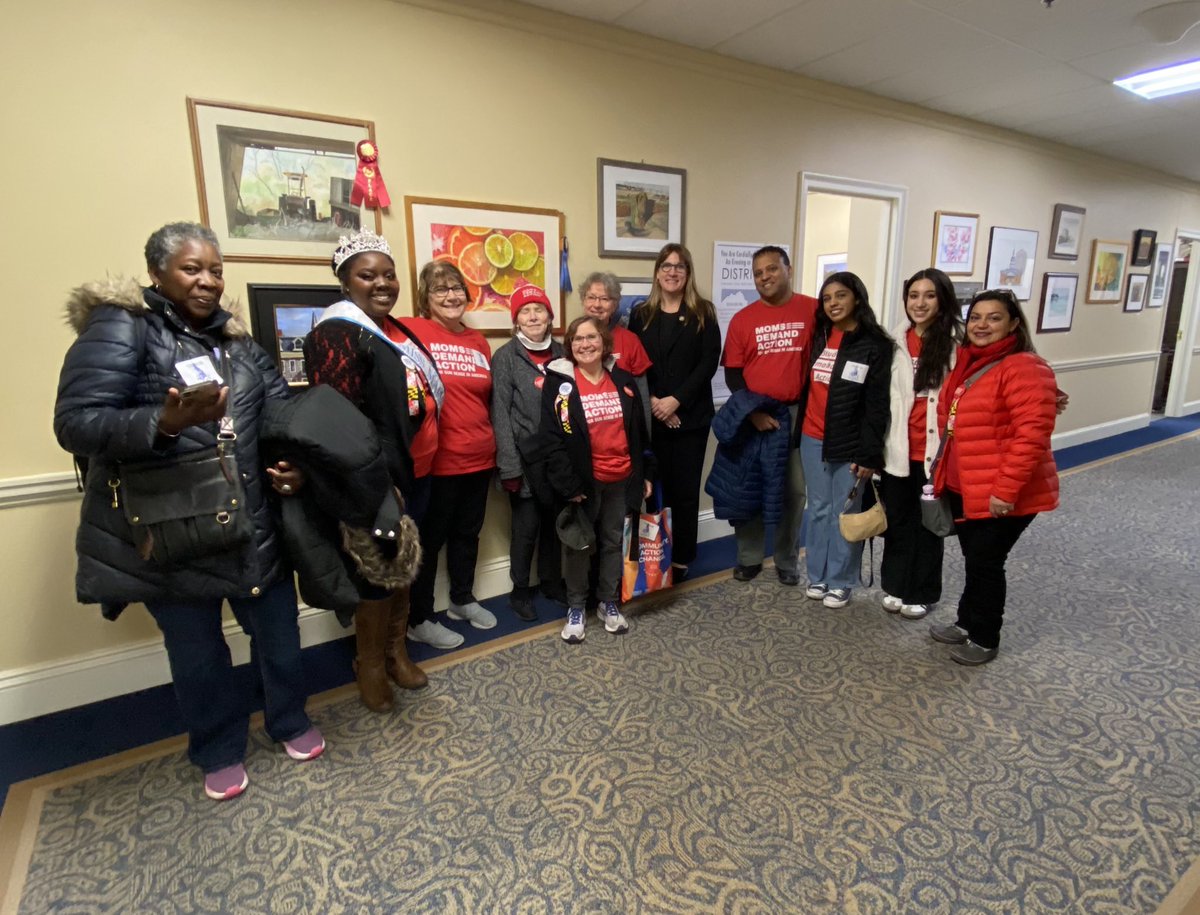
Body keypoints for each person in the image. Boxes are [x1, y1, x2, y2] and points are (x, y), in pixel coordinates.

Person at [54, 222, 322, 802]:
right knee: (198, 653)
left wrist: (295, 466)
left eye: (216, 271)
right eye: (192, 269)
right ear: (157, 274)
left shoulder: (238, 343)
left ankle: (289, 720)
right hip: (173, 530)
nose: (208, 281)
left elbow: (280, 416)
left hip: (252, 521)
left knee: (279, 634)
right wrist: (163, 423)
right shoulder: (122, 327)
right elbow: (75, 423)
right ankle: (218, 748)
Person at [303, 229, 440, 711]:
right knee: (377, 573)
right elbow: (339, 422)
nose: (382, 283)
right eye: (367, 276)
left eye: (389, 274)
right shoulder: (336, 333)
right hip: (375, 479)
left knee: (404, 568)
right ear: (346, 282)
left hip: (416, 470)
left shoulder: (397, 330)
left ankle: (396, 652)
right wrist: (378, 482)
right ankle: (370, 665)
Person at [929, 289, 1059, 665]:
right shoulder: (970, 363)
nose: (982, 325)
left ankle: (985, 637)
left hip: (1001, 491)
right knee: (975, 559)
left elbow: (1031, 435)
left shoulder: (1022, 366)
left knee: (986, 563)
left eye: (994, 318)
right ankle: (967, 623)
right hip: (967, 484)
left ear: (1014, 323)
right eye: (976, 318)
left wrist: (1005, 490)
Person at [530, 316, 653, 643]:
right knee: (578, 545)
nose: (585, 344)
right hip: (583, 484)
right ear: (570, 346)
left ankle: (608, 601)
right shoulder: (560, 384)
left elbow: (638, 432)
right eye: (578, 339)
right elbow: (551, 439)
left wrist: (645, 474)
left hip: (621, 478)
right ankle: (576, 607)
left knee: (613, 542)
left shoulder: (622, 379)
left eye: (592, 337)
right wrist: (568, 485)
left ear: (604, 342)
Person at [406, 260, 498, 649]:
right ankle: (419, 618)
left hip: (480, 456)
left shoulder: (478, 341)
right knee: (429, 541)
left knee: (467, 535)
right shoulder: (410, 331)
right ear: (425, 298)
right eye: (440, 289)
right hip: (437, 462)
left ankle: (461, 599)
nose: (451, 296)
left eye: (457, 288)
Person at [717, 246, 819, 585]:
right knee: (750, 487)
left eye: (772, 269)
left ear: (789, 269)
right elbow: (733, 374)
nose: (765, 277)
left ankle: (787, 560)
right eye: (758, 273)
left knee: (794, 490)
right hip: (754, 413)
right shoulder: (743, 319)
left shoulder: (813, 310)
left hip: (797, 413)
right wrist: (753, 414)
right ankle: (749, 557)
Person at [798, 272, 893, 608]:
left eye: (840, 295)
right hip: (812, 437)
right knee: (818, 509)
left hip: (850, 443)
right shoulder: (820, 335)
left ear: (857, 298)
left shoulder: (875, 344)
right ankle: (817, 575)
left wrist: (869, 454)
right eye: (827, 298)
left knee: (845, 511)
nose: (833, 303)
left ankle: (841, 581)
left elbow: (877, 405)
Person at [628, 244, 721, 582]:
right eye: (666, 266)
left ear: (688, 273)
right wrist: (655, 401)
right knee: (653, 488)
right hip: (652, 418)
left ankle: (681, 557)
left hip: (690, 418)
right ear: (657, 273)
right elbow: (636, 364)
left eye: (679, 266)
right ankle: (657, 555)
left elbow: (708, 363)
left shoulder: (703, 312)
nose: (672, 272)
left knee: (684, 492)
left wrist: (676, 401)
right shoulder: (641, 314)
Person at [879, 268, 963, 621]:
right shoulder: (893, 341)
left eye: (929, 295)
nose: (920, 303)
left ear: (942, 299)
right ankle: (895, 585)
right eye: (914, 295)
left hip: (935, 452)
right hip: (898, 449)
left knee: (929, 525)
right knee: (898, 521)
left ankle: (923, 592)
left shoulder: (958, 343)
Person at [490, 284, 565, 621]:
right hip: (523, 461)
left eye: (539, 310)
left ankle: (551, 582)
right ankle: (519, 590)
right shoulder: (506, 357)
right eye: (525, 311)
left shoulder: (564, 353)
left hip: (558, 460)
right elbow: (500, 414)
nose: (533, 316)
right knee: (526, 529)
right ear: (516, 320)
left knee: (555, 525)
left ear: (550, 316)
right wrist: (509, 467)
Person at [579, 271, 653, 430]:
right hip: (585, 430)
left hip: (623, 429)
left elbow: (642, 396)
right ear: (583, 300)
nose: (597, 304)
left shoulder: (630, 340)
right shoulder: (574, 339)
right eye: (591, 297)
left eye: (604, 299)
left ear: (615, 304)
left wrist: (645, 435)